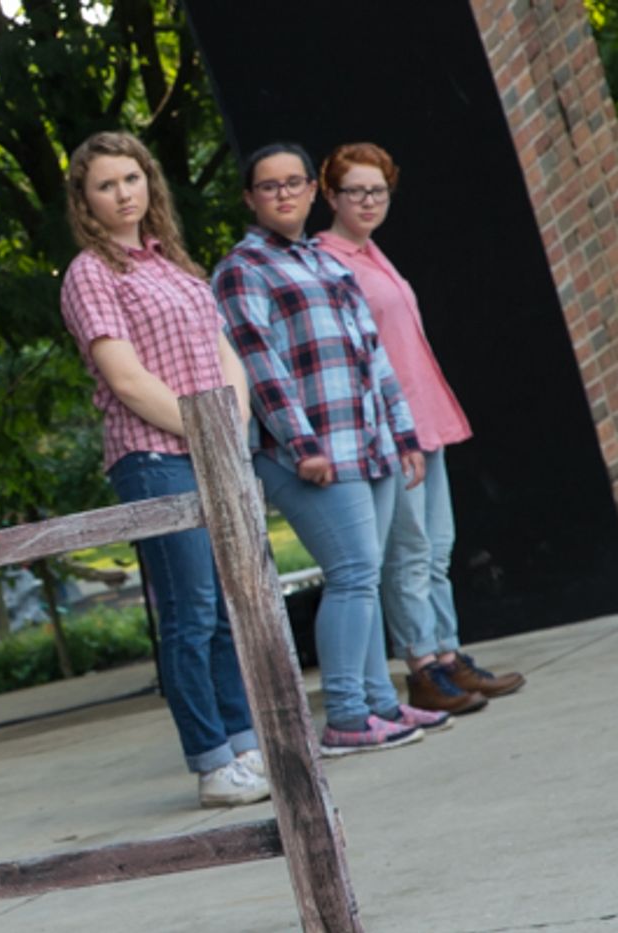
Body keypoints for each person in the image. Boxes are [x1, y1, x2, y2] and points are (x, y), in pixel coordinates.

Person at [212, 142, 450, 757]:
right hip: (310, 454)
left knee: (364, 577)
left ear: (312, 191)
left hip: (369, 445)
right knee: (351, 574)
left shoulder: (326, 263)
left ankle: (379, 704)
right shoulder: (242, 268)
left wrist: (402, 435)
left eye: (294, 182)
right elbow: (259, 365)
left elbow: (375, 358)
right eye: (270, 186)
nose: (284, 194)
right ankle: (345, 715)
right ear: (250, 198)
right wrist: (302, 445)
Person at [60, 131, 269, 807]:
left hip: (213, 449)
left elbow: (222, 350)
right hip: (153, 457)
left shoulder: (174, 264)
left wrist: (232, 424)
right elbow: (126, 379)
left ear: (150, 181)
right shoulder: (91, 273)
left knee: (227, 608)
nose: (123, 194)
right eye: (105, 185)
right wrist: (205, 432)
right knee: (190, 610)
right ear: (85, 200)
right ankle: (212, 763)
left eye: (132, 178)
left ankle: (244, 745)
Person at [317, 142, 524, 713]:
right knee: (408, 552)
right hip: (389, 426)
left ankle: (448, 656)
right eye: (355, 191)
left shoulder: (373, 253)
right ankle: (423, 669)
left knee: (438, 549)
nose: (368, 201)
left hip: (425, 416)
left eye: (378, 191)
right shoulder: (328, 261)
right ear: (330, 196)